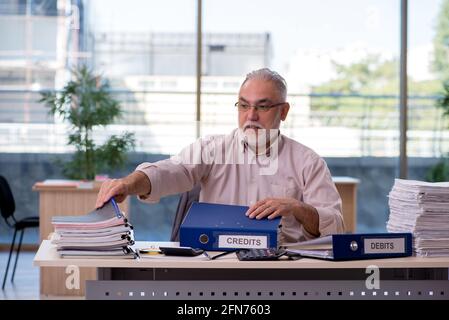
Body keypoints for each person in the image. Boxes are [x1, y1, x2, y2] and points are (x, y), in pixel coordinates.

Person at [96, 68, 344, 243]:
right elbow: (170, 171)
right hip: (217, 266)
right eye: (244, 105)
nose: (251, 116)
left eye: (263, 106)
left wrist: (297, 207)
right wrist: (128, 184)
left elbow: (335, 226)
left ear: (284, 111)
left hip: (284, 270)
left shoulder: (307, 162)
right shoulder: (212, 149)